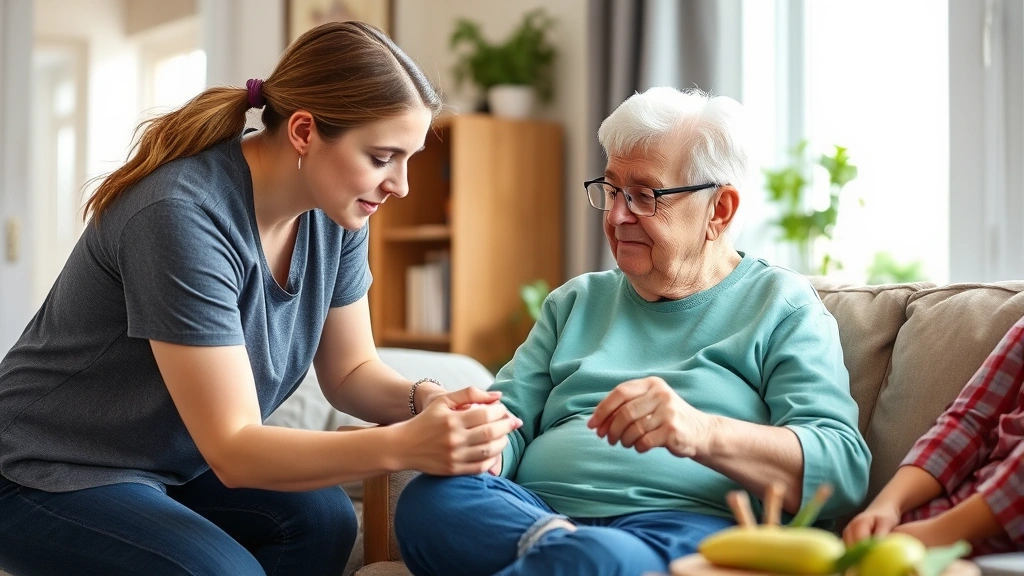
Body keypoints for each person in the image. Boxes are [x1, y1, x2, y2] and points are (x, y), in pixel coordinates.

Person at [0, 21, 519, 576]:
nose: (402, 184)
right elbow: (235, 448)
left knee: (323, 520)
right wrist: (406, 445)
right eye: (382, 156)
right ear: (303, 131)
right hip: (44, 468)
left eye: (409, 158)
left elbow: (351, 371)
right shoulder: (180, 215)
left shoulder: (338, 211)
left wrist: (425, 400)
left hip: (173, 464)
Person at [393, 86, 871, 576]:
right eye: (611, 190)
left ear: (720, 210)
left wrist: (700, 431)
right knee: (429, 501)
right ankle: (559, 549)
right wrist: (485, 445)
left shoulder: (782, 307)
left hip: (684, 528)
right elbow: (509, 422)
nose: (617, 215)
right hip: (534, 513)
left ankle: (573, 556)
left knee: (605, 557)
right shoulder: (575, 303)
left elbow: (842, 467)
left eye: (644, 195)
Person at [844, 315, 1024, 555]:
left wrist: (940, 533)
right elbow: (971, 419)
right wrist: (887, 504)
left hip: (995, 546)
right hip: (925, 527)